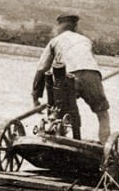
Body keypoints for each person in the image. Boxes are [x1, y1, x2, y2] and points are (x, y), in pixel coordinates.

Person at [32, 11, 111, 143]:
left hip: (69, 76)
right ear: (75, 27)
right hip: (92, 74)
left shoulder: (55, 41)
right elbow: (90, 62)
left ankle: (58, 142)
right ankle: (105, 147)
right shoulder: (86, 40)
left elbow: (41, 69)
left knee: (59, 113)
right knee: (103, 114)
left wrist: (36, 98)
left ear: (59, 26)